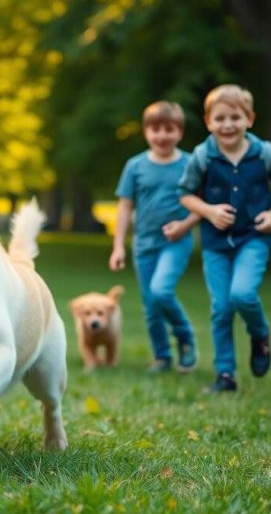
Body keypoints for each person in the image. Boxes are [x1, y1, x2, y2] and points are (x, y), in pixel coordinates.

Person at [179, 84, 271, 393]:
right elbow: (185, 195)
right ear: (208, 122)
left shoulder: (264, 153)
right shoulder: (203, 156)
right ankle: (225, 375)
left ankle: (260, 334)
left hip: (253, 238)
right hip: (215, 244)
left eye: (236, 117)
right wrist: (208, 210)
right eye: (220, 118)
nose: (228, 124)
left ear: (250, 118)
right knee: (221, 308)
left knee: (242, 295)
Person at [109, 101, 200, 374]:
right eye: (155, 129)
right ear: (146, 132)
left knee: (161, 291)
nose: (162, 135)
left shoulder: (190, 164)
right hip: (143, 245)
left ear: (179, 132)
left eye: (169, 129)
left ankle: (185, 337)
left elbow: (203, 203)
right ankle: (162, 357)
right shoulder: (135, 166)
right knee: (150, 305)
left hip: (176, 242)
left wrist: (185, 225)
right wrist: (118, 247)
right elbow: (125, 207)